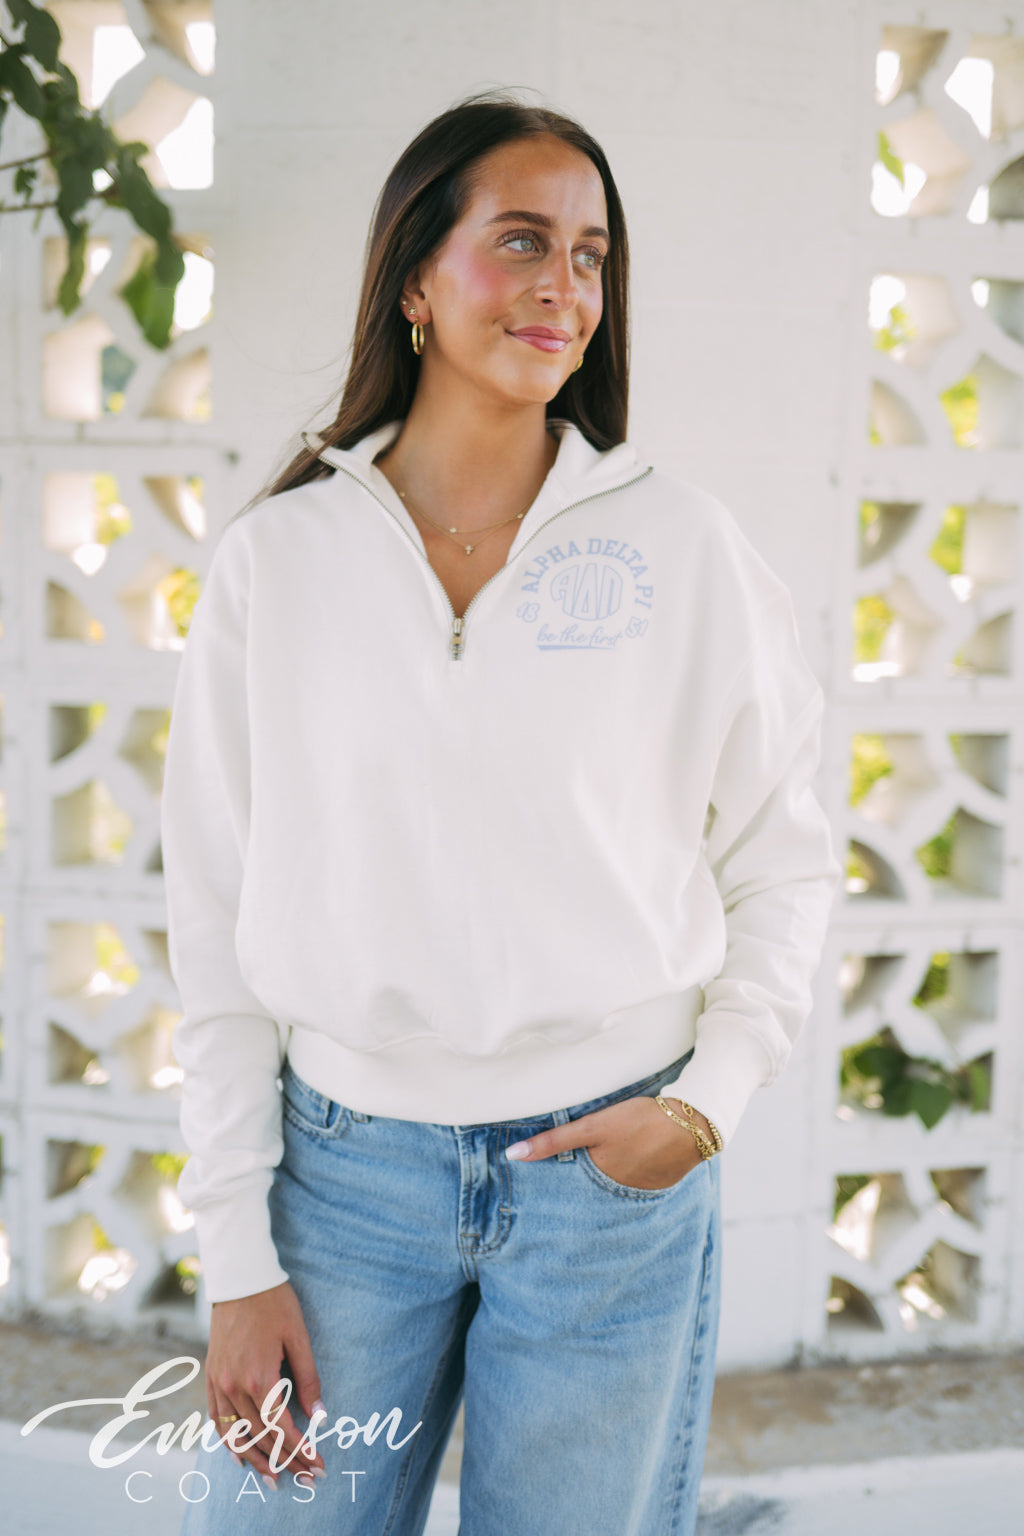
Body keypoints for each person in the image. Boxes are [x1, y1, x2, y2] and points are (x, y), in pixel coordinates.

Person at [161, 91, 840, 1536]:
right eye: (521, 240)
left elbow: (783, 857)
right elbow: (210, 911)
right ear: (415, 275)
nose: (563, 287)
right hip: (341, 1187)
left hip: (612, 1188)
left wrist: (705, 1105)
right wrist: (234, 1251)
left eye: (592, 255)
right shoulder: (280, 561)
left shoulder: (685, 548)